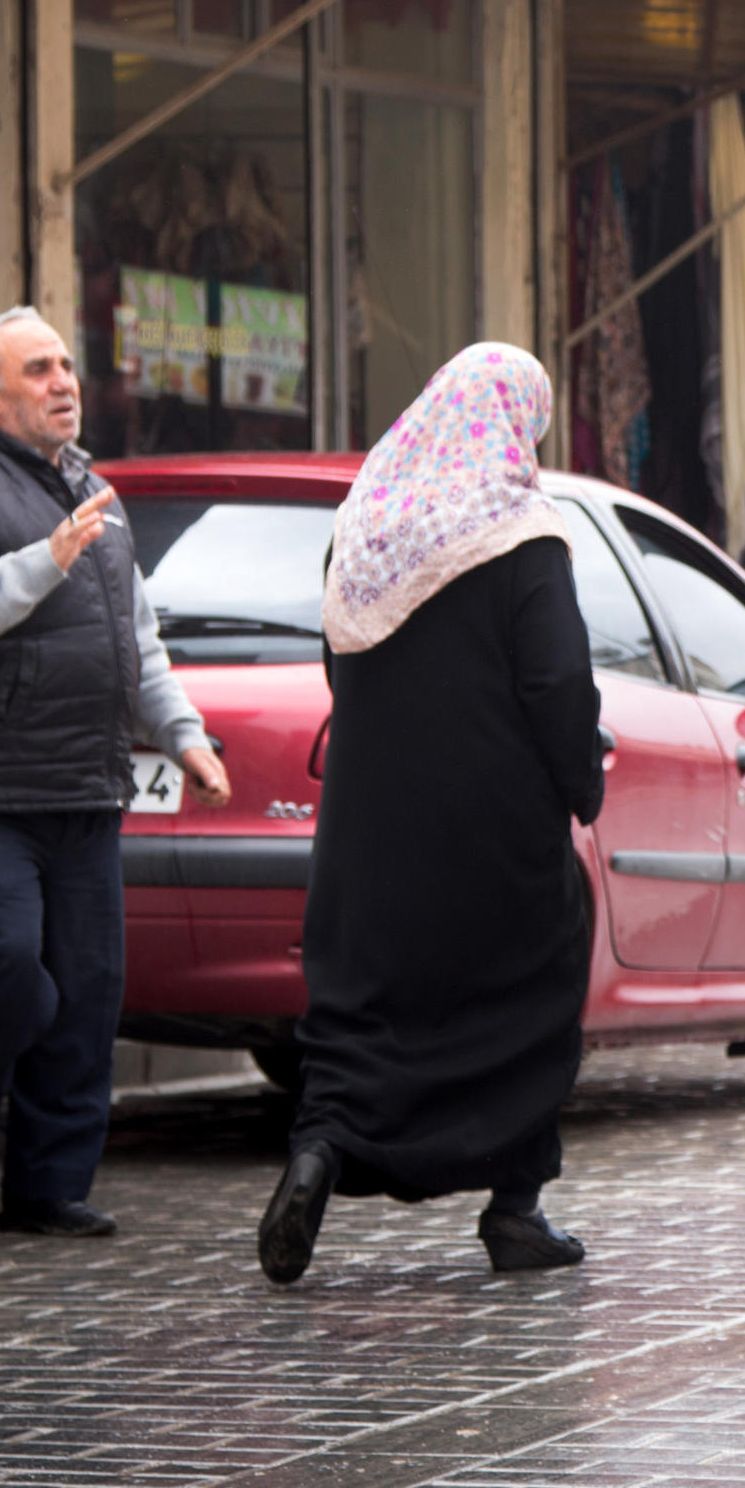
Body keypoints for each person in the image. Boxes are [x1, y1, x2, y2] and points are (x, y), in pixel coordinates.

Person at [258, 345, 605, 1285]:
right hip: (494, 833)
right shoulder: (520, 533)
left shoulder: (363, 525)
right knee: (525, 990)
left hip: (368, 834)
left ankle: (319, 1150)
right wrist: (582, 783)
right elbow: (557, 678)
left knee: (363, 1002)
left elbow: (338, 661)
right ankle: (515, 1208)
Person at [0, 305, 232, 1236]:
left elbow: (137, 641)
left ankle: (47, 1188)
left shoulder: (95, 496)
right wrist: (42, 561)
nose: (64, 381)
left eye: (68, 365)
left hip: (83, 780)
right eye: (38, 369)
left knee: (85, 987)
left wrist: (184, 733)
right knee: (9, 962)